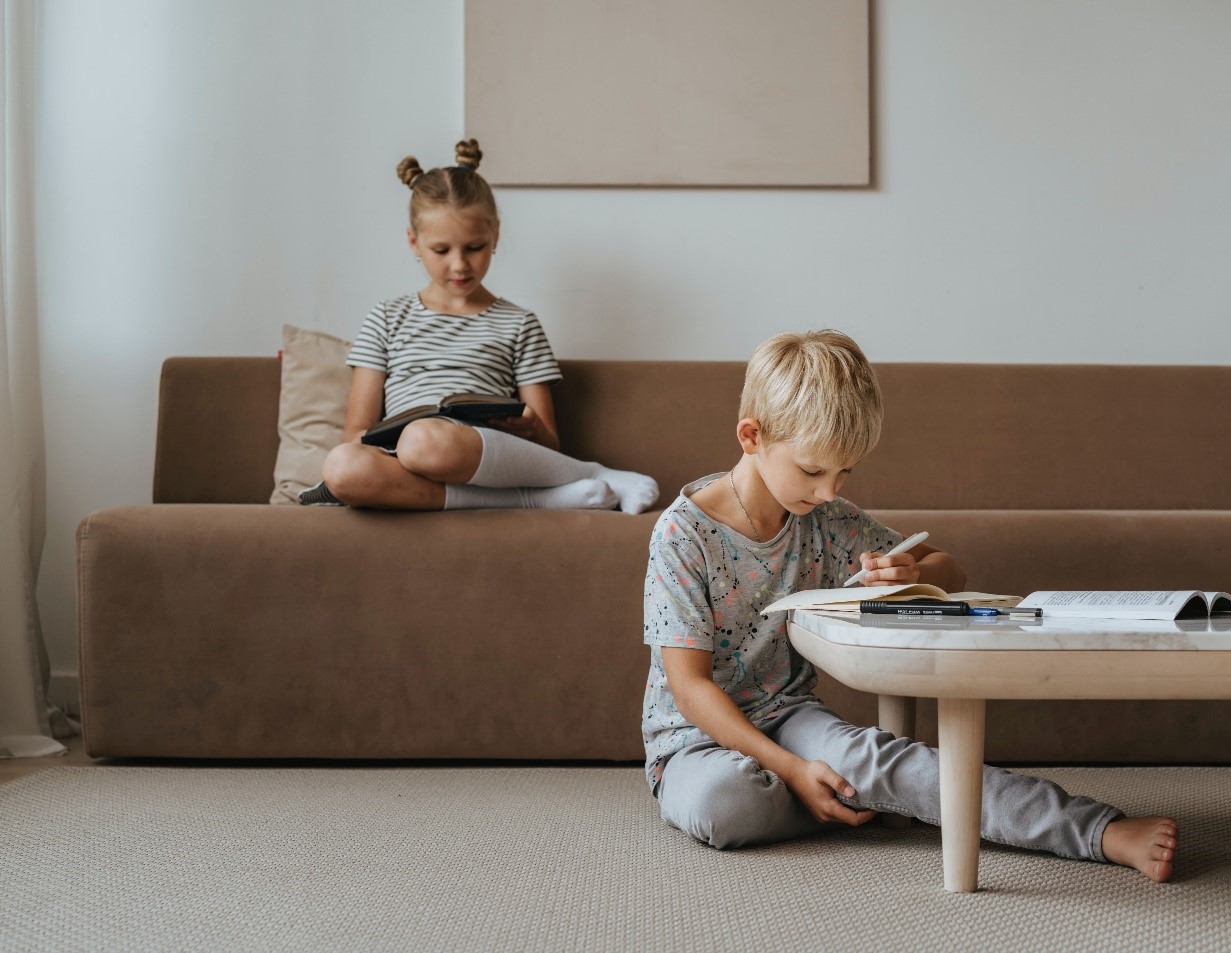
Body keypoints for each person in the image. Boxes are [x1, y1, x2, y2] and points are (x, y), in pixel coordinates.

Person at [640, 329, 1178, 882]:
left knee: (882, 764)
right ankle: (879, 796)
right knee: (727, 804)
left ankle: (1096, 830)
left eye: (844, 472)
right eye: (812, 470)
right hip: (691, 744)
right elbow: (690, 687)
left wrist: (914, 572)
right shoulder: (683, 535)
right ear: (752, 436)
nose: (829, 491)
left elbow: (950, 567)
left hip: (790, 716)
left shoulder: (826, 517)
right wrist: (793, 770)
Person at [301, 139, 658, 514]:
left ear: (495, 237)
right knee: (342, 466)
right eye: (442, 251)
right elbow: (355, 431)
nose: (459, 265)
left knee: (424, 440)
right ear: (414, 242)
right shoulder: (386, 318)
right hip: (403, 457)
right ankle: (537, 499)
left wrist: (530, 426)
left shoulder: (519, 323)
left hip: (480, 452)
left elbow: (549, 440)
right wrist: (383, 441)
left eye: (474, 247)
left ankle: (592, 473)